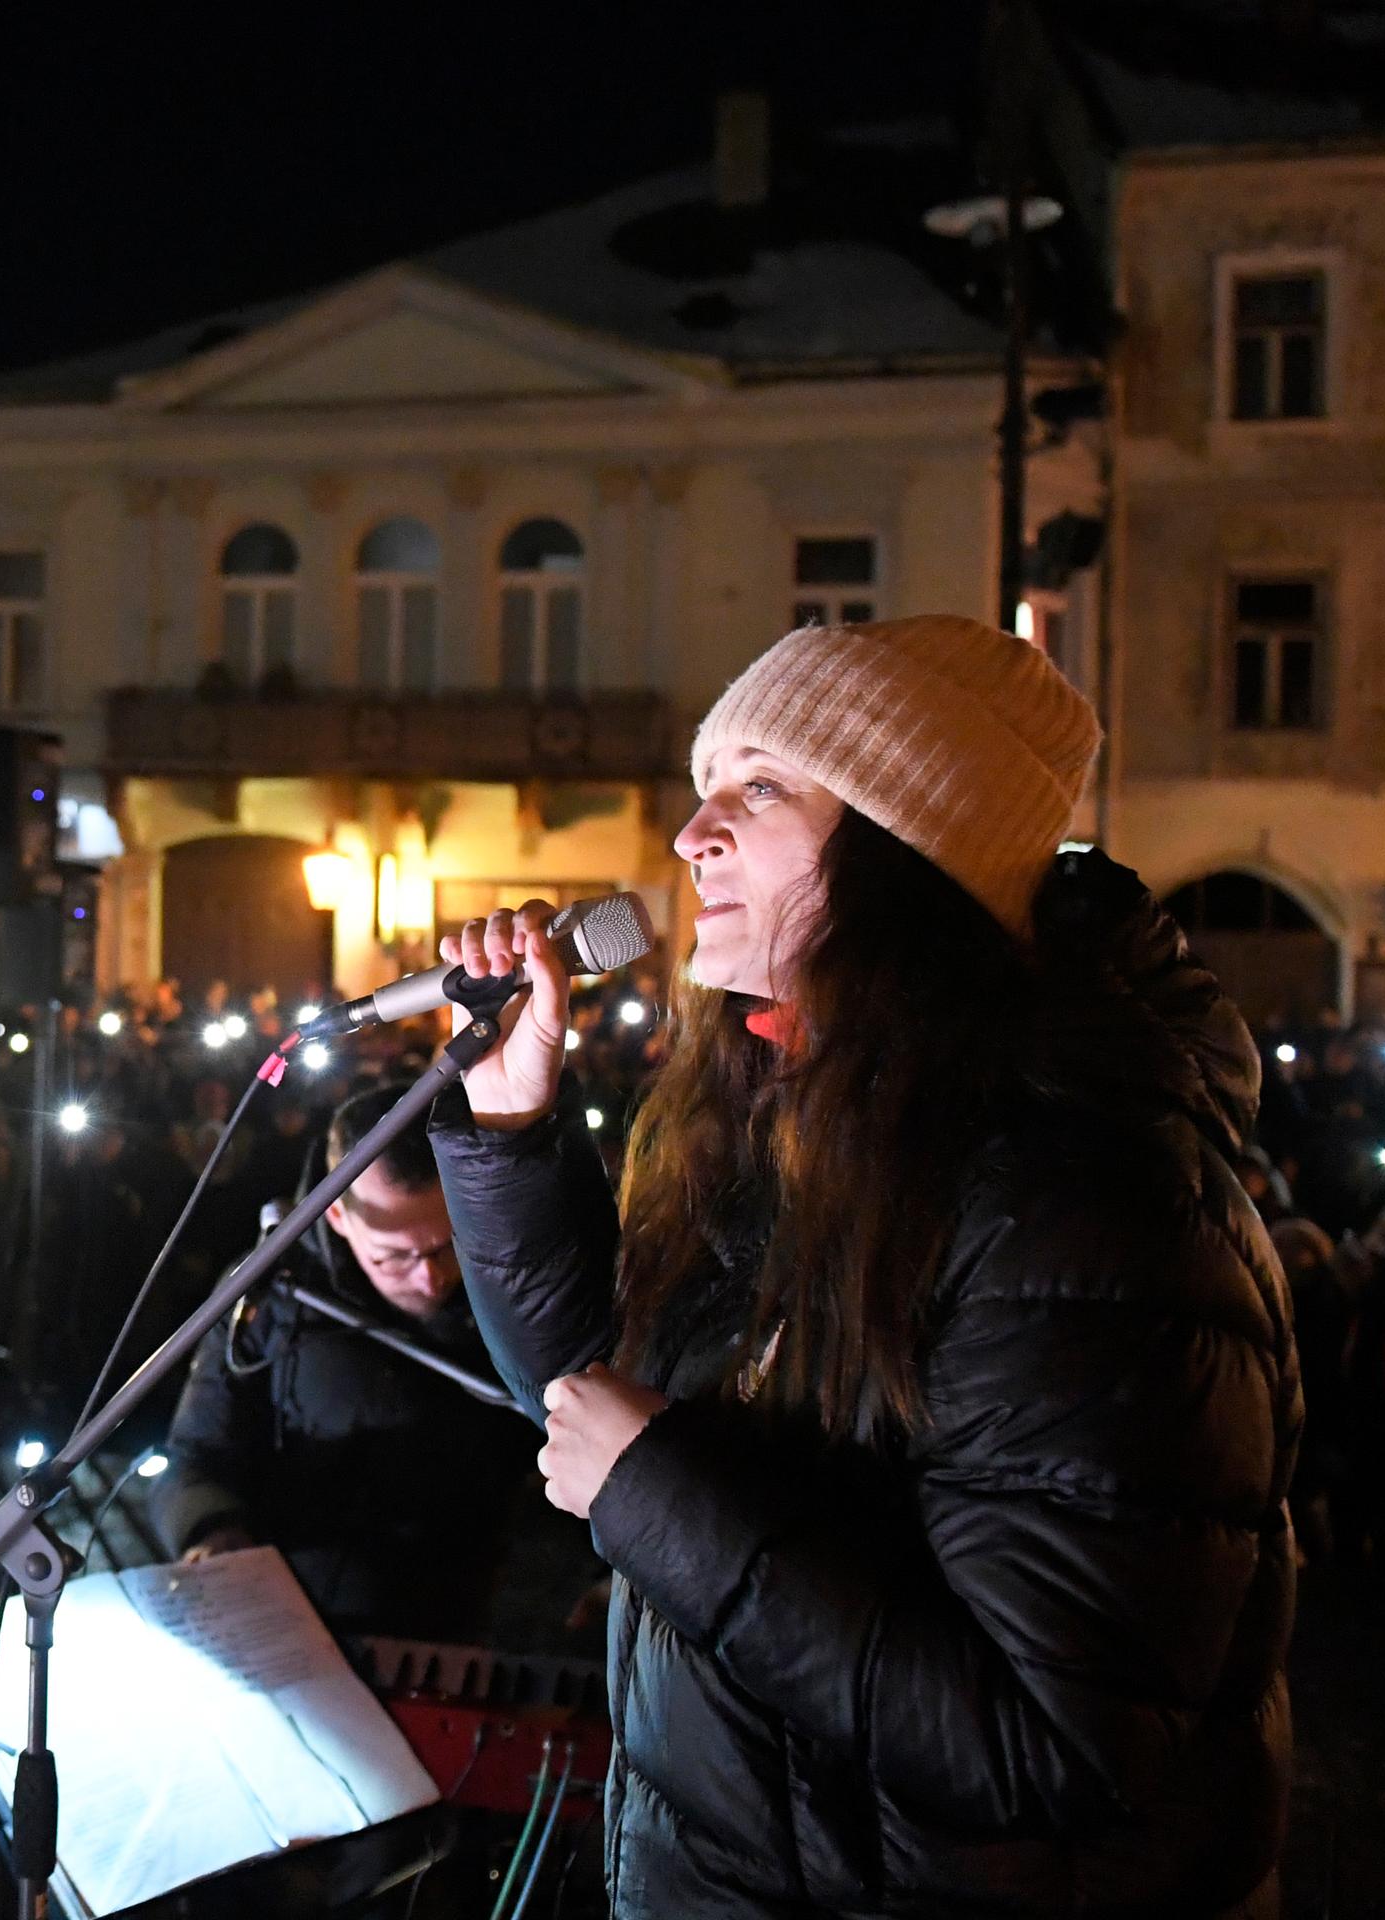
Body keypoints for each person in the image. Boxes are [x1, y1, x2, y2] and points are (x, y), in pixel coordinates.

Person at [427, 616, 1294, 1916]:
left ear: (907, 850)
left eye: (760, 788)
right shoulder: (796, 1115)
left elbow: (1054, 1746)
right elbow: (590, 1404)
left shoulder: (1079, 1199)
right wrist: (506, 1129)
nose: (691, 835)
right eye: (704, 787)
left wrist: (662, 1498)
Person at [161, 1082, 536, 1639]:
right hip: (296, 1617)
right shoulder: (269, 1291)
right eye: (394, 1257)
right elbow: (197, 1454)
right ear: (337, 1216)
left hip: (469, 1621)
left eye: (446, 1244)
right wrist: (210, 1528)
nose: (429, 1277)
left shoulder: (523, 1285)